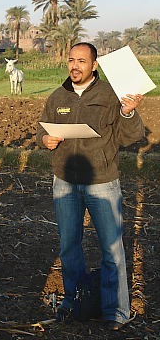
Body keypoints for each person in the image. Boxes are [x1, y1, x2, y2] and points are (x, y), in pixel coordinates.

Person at [36, 42, 145, 331]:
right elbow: (43, 129)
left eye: (82, 61)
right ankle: (73, 302)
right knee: (69, 246)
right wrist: (43, 140)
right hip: (64, 182)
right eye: (71, 60)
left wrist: (129, 112)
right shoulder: (58, 96)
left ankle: (116, 312)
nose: (75, 66)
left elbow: (129, 137)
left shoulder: (112, 95)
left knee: (111, 249)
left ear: (94, 65)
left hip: (102, 181)